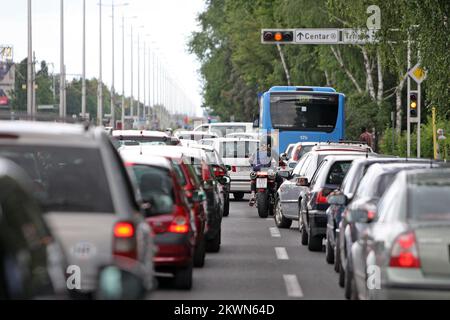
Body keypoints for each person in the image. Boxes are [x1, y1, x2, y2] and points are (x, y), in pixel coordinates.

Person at [248, 135, 280, 206]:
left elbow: (250, 160)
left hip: (257, 171)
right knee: (279, 178)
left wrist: (253, 164)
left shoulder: (257, 150)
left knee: (253, 179)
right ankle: (278, 195)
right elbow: (279, 161)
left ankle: (253, 193)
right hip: (268, 172)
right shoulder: (272, 152)